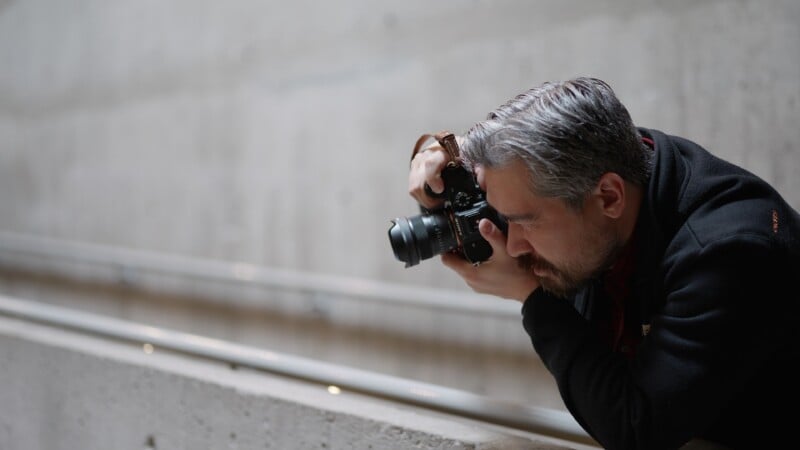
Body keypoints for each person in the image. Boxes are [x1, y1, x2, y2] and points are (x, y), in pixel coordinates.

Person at [407, 77, 800, 450]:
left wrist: (531, 296)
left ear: (610, 197)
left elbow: (637, 429)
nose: (513, 246)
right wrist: (439, 162)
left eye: (525, 222)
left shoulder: (730, 252)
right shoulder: (596, 161)